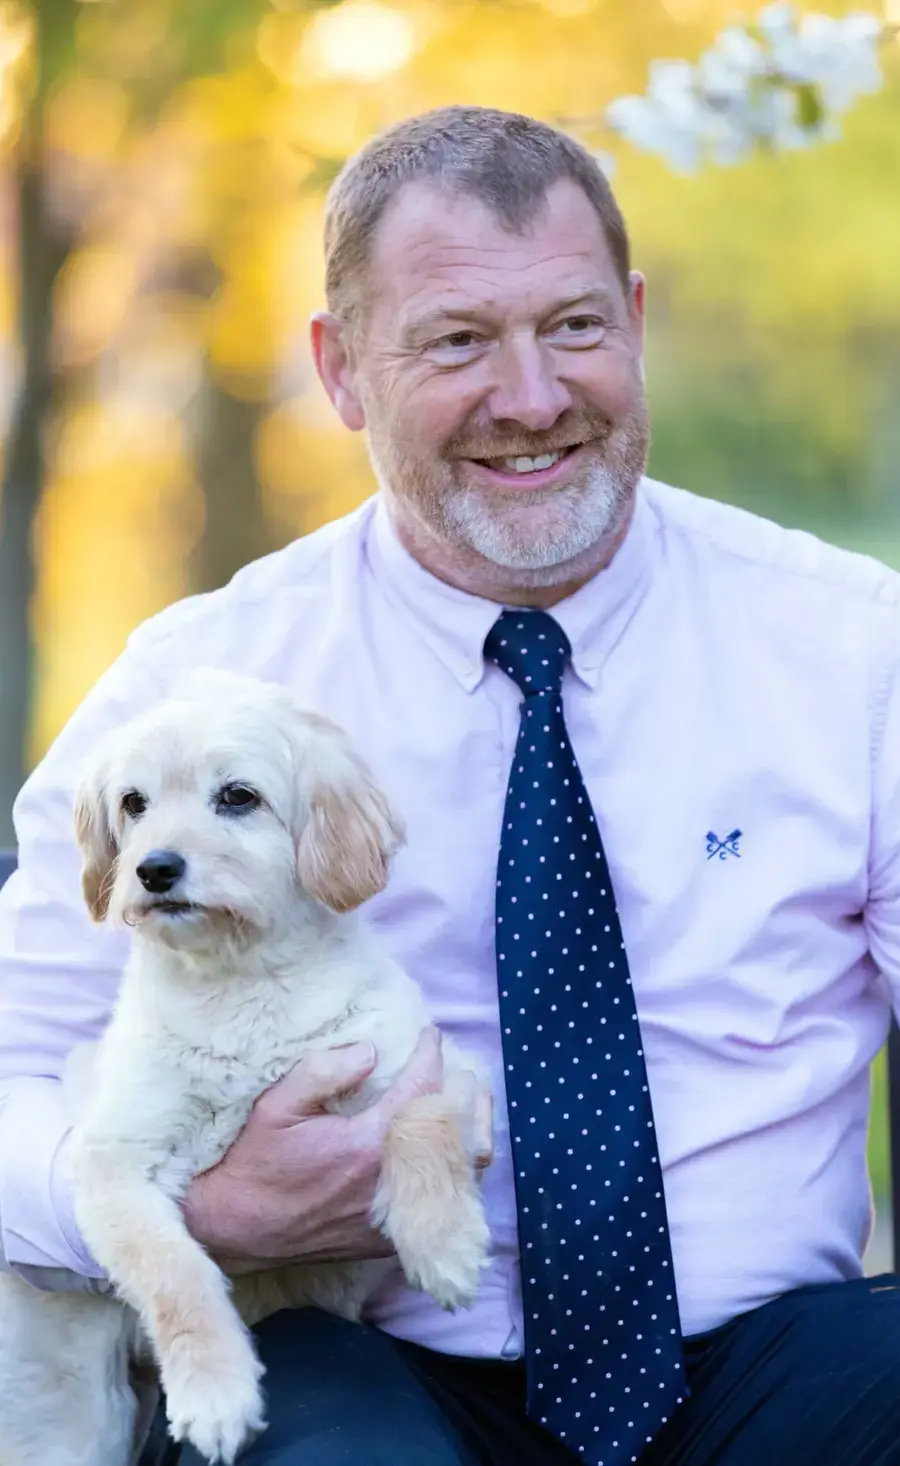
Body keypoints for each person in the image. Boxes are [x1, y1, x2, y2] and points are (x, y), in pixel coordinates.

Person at [2, 103, 900, 1466]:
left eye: (577, 327)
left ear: (638, 319)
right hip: (354, 1349)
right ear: (342, 366)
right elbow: (12, 1059)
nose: (534, 397)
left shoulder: (852, 648)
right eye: (459, 341)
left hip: (775, 1356)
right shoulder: (197, 686)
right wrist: (184, 1206)